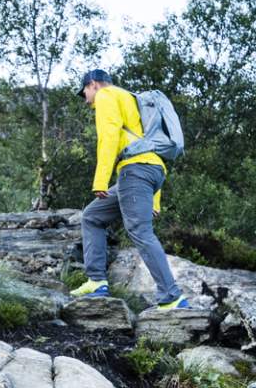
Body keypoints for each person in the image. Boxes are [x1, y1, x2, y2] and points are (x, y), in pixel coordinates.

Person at [69, 69, 189, 310]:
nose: (85, 99)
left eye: (84, 93)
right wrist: (155, 200)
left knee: (140, 232)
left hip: (135, 172)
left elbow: (109, 136)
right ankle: (97, 281)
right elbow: (148, 145)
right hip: (149, 170)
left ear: (93, 85)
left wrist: (100, 180)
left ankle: (171, 296)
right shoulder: (132, 99)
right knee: (92, 216)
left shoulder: (106, 96)